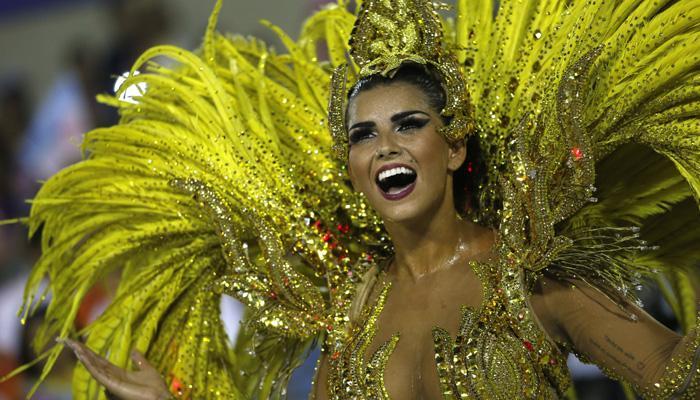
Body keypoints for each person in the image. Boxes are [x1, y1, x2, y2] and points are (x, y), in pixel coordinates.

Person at [6, 0, 700, 399]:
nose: (386, 147)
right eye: (365, 135)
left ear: (454, 149)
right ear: (354, 167)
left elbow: (676, 379)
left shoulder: (532, 269)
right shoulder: (352, 306)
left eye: (409, 124)